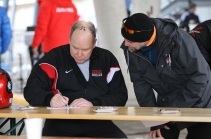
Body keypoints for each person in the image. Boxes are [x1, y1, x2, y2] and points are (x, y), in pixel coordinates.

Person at [24, 21, 128, 138]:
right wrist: (50, 99)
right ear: (69, 40)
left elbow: (120, 95)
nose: (79, 54)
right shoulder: (53, 59)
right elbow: (30, 90)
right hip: (60, 122)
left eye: (85, 50)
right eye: (75, 48)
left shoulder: (106, 59)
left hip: (98, 121)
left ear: (94, 43)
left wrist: (94, 103)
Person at [120, 13, 211, 139]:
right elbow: (141, 86)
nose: (125, 44)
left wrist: (170, 112)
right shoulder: (131, 50)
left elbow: (200, 77)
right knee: (159, 135)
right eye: (124, 38)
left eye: (129, 41)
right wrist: (153, 119)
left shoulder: (179, 40)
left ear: (145, 39)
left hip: (199, 102)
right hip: (167, 103)